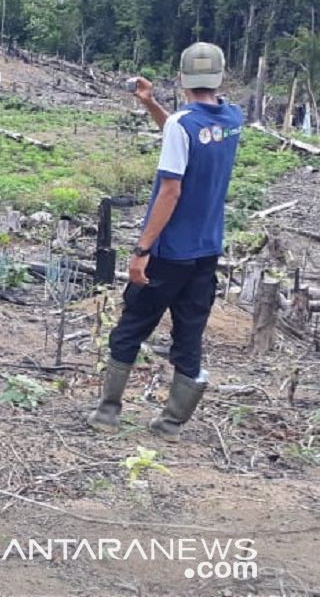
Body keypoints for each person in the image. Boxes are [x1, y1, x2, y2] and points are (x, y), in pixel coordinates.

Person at [88, 42, 243, 441]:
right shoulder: (232, 120)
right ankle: (172, 424)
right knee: (188, 338)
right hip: (207, 251)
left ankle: (108, 412)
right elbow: (188, 135)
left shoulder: (182, 125)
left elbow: (170, 192)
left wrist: (141, 250)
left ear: (182, 77)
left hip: (170, 252)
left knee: (130, 328)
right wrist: (151, 104)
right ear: (220, 78)